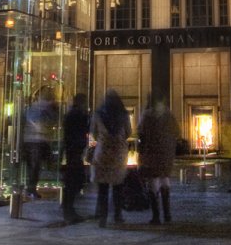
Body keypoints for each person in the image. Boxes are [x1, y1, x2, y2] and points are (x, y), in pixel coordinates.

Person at [91, 89, 133, 226]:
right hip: (118, 153)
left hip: (103, 152)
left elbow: (94, 132)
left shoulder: (98, 114)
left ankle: (102, 217)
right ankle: (117, 215)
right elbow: (128, 132)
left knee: (103, 187)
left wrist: (103, 140)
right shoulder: (123, 115)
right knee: (118, 186)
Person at [137, 95, 179, 224]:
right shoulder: (169, 115)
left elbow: (140, 132)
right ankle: (167, 214)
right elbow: (177, 132)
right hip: (166, 154)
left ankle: (156, 216)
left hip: (151, 153)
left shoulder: (146, 116)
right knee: (164, 180)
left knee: (153, 182)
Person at [59, 92, 90, 224]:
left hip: (72, 150)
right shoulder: (78, 115)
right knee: (75, 180)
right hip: (75, 151)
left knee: (73, 180)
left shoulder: (71, 114)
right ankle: (68, 208)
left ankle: (68, 208)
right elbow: (84, 129)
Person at [20, 88, 58, 198]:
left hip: (31, 140)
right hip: (38, 141)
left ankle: (30, 188)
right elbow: (48, 122)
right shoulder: (45, 108)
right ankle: (30, 189)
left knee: (33, 167)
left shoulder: (32, 108)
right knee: (35, 166)